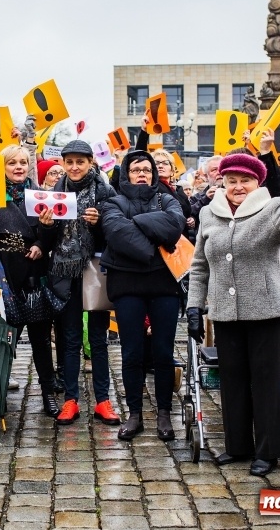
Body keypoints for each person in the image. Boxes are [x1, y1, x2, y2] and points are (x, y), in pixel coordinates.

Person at [187, 152, 280, 477]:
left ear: (256, 182)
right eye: (232, 181)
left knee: (265, 381)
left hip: (266, 311)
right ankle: (238, 446)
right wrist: (193, 305)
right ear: (223, 182)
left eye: (245, 180)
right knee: (232, 381)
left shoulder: (272, 208)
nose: (237, 186)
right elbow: (200, 264)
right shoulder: (208, 213)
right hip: (225, 313)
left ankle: (269, 450)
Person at [101, 150, 185, 441]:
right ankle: (134, 414)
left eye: (147, 170)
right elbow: (115, 232)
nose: (142, 174)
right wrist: (151, 242)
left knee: (163, 352)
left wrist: (136, 222)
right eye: (136, 169)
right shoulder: (113, 201)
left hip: (164, 286)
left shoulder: (168, 199)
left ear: (154, 174)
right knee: (131, 353)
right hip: (127, 287)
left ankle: (164, 413)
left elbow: (173, 227)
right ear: (126, 173)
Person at [0, 144, 60, 418]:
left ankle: (49, 393)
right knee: (3, 342)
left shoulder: (40, 196)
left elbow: (52, 237)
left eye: (23, 162)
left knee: (40, 342)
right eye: (12, 163)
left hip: (34, 278)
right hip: (3, 278)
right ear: (2, 167)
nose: (19, 167)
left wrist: (42, 237)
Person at [49, 140, 120, 427]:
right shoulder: (56, 191)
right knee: (69, 339)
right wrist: (45, 225)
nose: (75, 167)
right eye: (70, 162)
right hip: (65, 272)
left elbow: (116, 232)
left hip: (95, 270)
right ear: (63, 164)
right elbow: (47, 237)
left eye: (81, 161)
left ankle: (103, 400)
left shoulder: (104, 190)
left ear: (91, 162)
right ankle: (70, 400)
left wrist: (99, 223)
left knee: (99, 340)